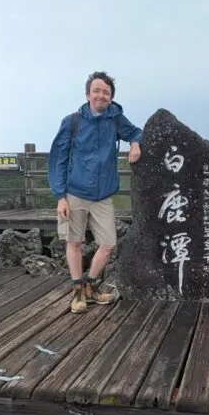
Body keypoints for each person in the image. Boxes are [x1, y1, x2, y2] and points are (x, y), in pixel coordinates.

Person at [48, 70, 142, 313]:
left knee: (108, 244)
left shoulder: (115, 118)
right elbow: (58, 159)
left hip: (103, 195)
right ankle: (77, 291)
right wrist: (60, 197)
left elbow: (135, 132)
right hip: (75, 192)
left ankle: (90, 286)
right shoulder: (72, 121)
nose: (101, 96)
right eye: (97, 91)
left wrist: (135, 143)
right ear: (88, 94)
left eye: (106, 92)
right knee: (74, 242)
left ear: (111, 97)